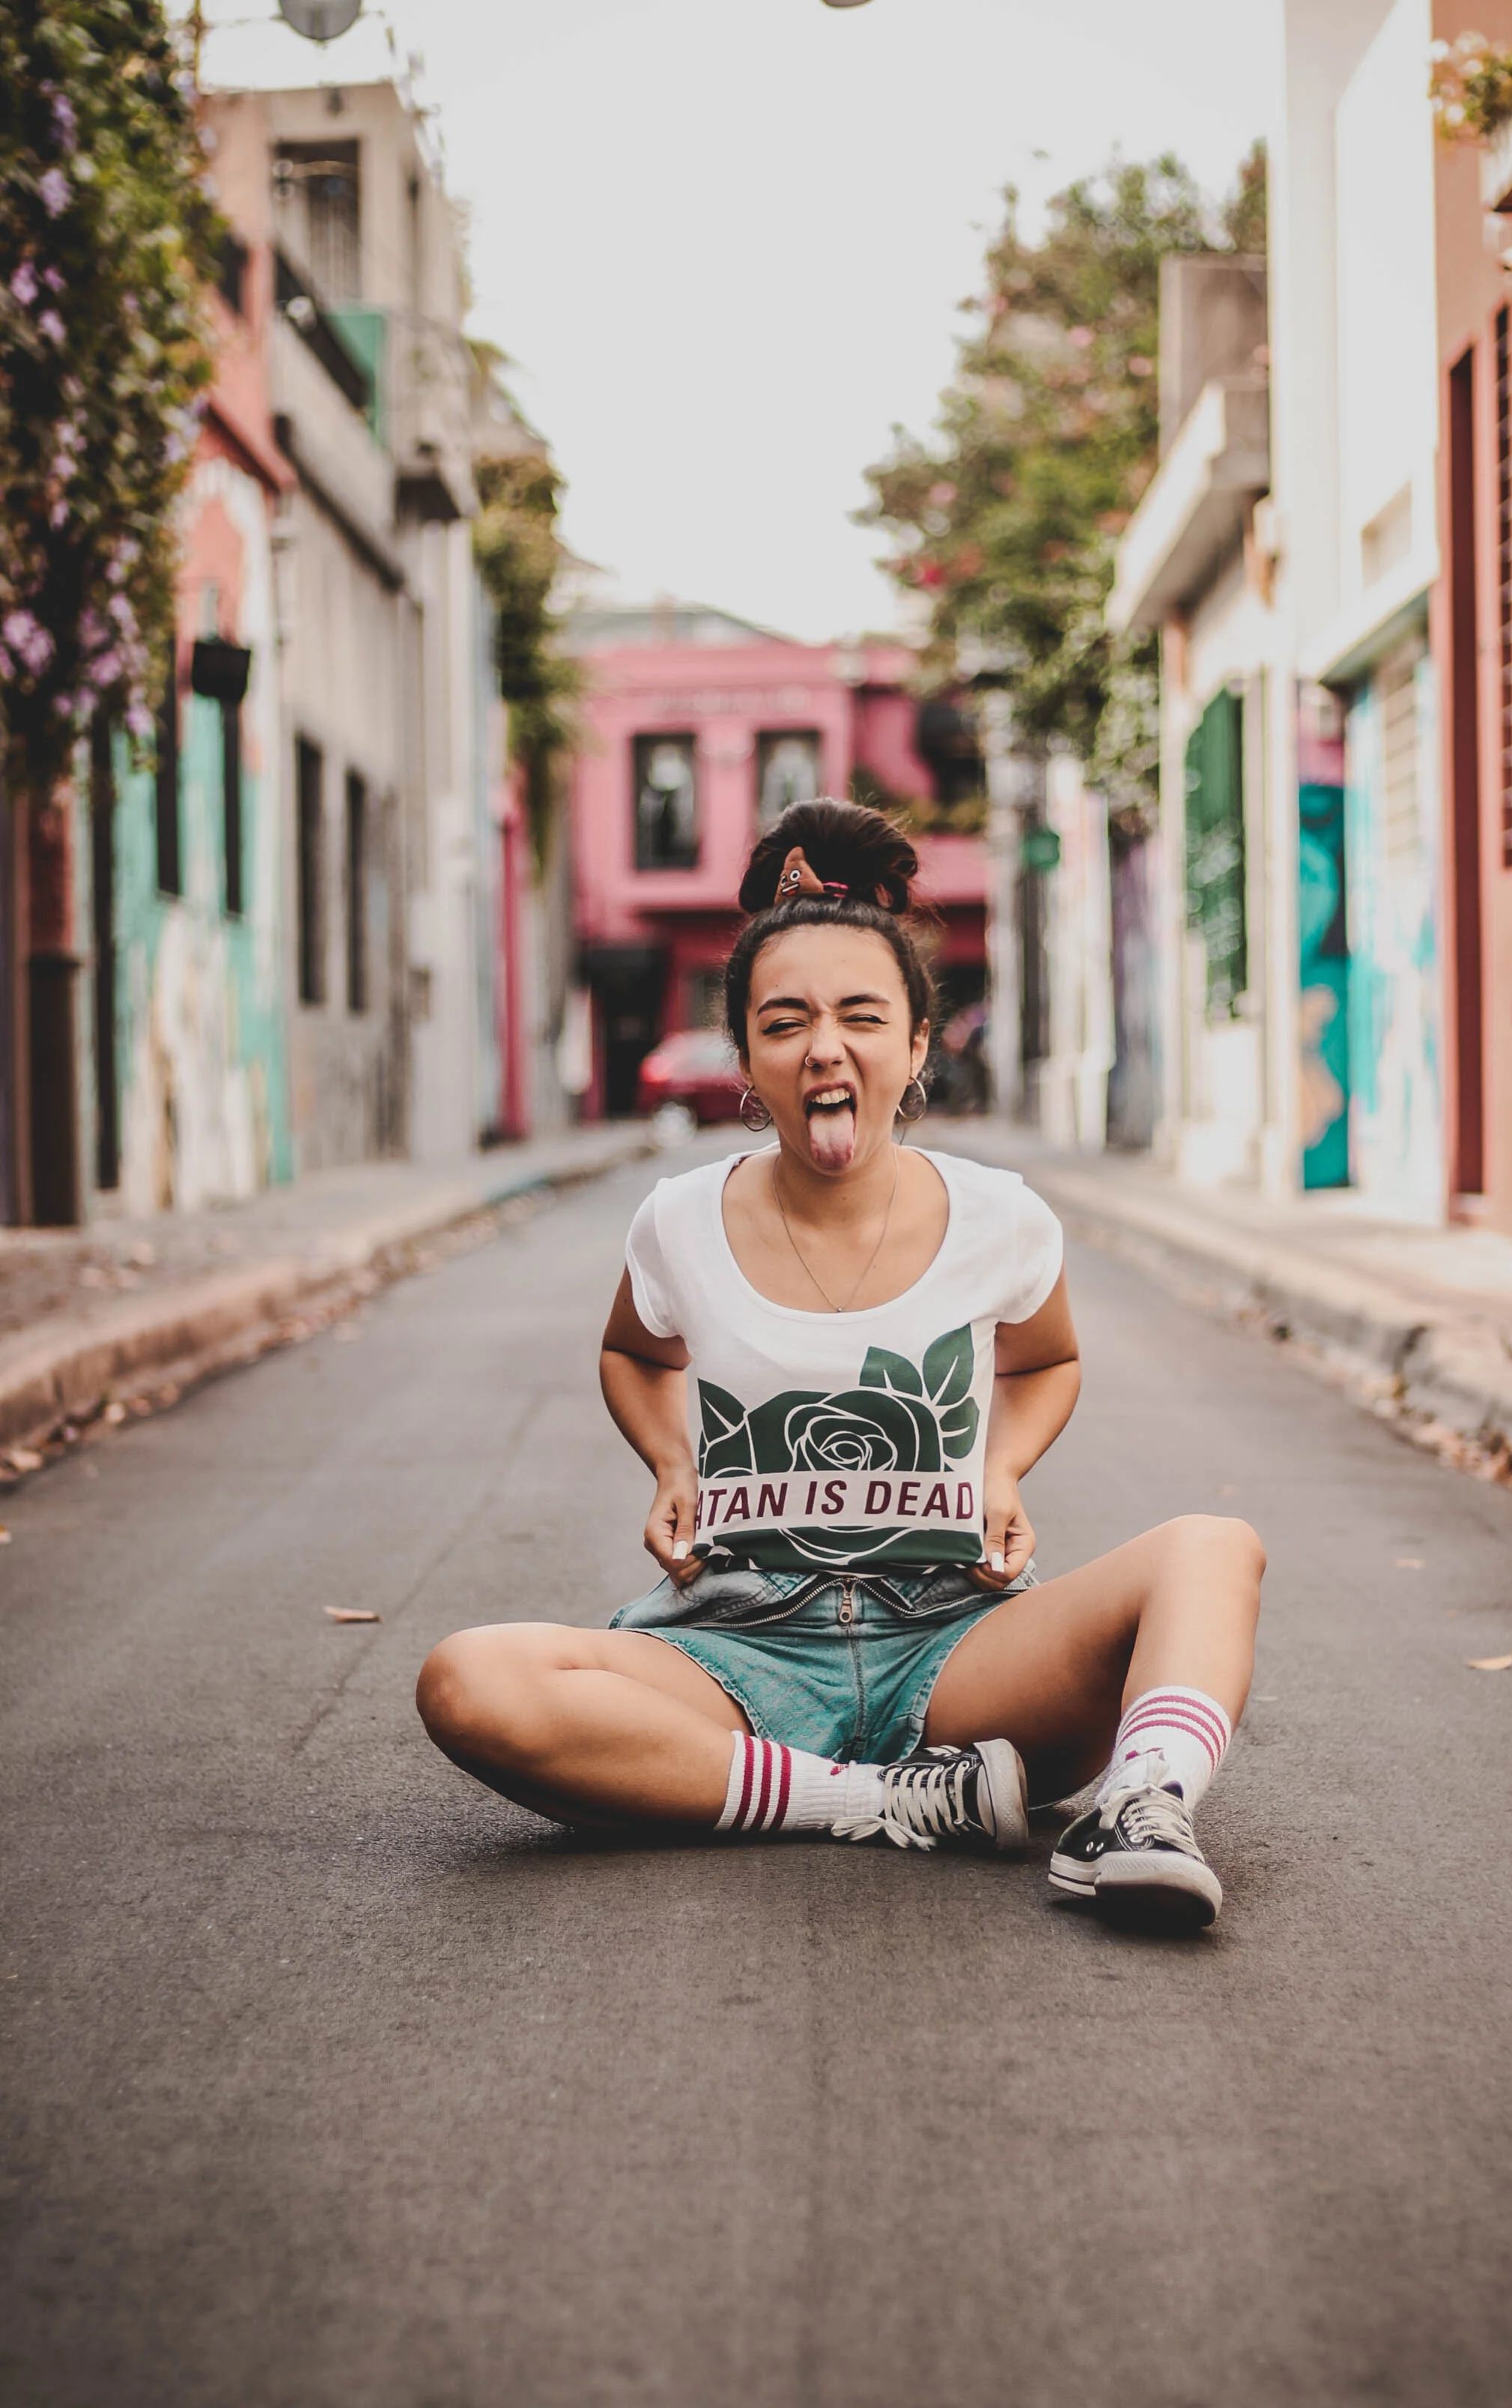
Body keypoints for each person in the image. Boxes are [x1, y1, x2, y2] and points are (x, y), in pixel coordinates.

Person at [417, 801, 1265, 1929]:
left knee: (1214, 1548)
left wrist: (1002, 1471)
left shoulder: (998, 1218)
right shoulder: (678, 1220)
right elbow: (633, 1351)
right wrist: (671, 1464)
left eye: (862, 1016)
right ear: (748, 1064)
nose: (825, 1046)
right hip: (732, 1652)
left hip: (956, 1649)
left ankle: (1144, 1811)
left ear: (915, 1046)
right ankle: (871, 1800)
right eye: (785, 1022)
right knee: (466, 1680)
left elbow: (1043, 1364)